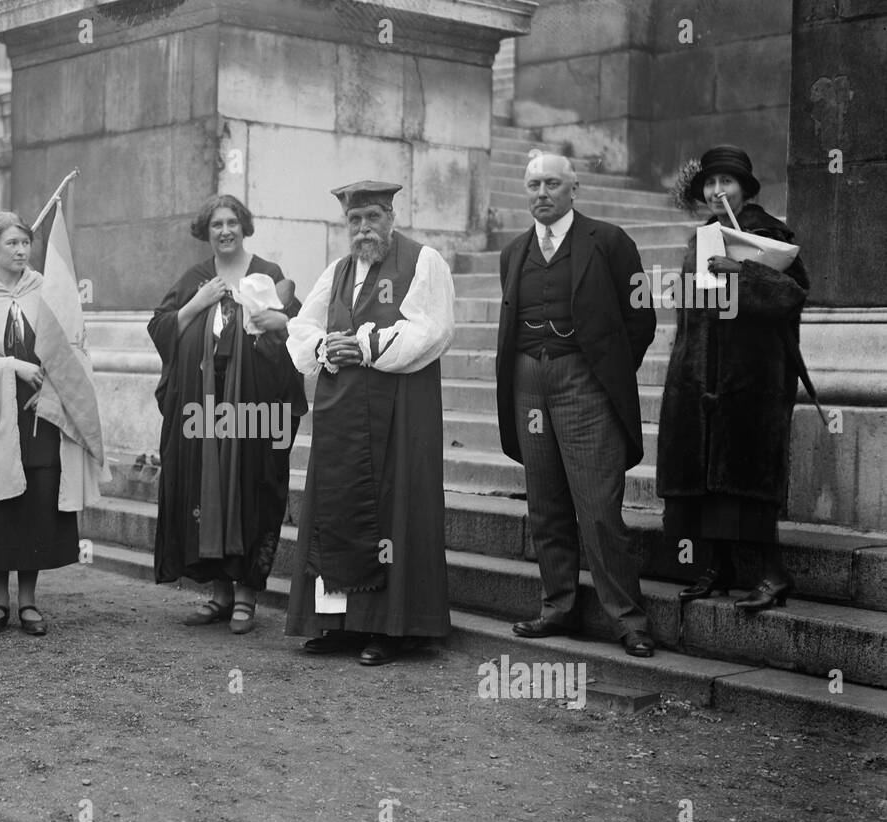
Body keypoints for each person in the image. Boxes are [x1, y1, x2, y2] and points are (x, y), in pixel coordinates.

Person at [284, 181, 456, 665]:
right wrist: (324, 347)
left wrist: (363, 345)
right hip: (342, 411)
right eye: (355, 220)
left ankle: (391, 628)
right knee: (336, 506)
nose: (364, 228)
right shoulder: (338, 272)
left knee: (394, 509)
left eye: (374, 217)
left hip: (399, 407)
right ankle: (337, 624)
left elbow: (432, 329)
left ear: (391, 217)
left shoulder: (423, 261)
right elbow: (304, 326)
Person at [495, 153, 657, 657]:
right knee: (545, 504)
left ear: (574, 188)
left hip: (583, 382)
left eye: (551, 184)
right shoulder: (514, 252)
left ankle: (628, 619)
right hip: (528, 381)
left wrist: (605, 373)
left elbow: (640, 319)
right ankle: (557, 606)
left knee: (598, 509)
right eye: (533, 185)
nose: (541, 192)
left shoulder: (608, 241)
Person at [658, 145, 810, 611]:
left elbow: (793, 296)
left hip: (750, 379)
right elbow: (691, 307)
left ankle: (772, 574)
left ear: (744, 188)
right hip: (697, 374)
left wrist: (742, 272)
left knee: (746, 477)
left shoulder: (770, 234)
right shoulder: (700, 237)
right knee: (704, 478)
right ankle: (718, 567)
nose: (716, 190)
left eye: (726, 182)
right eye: (710, 183)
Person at [149, 194, 305, 633]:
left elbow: (294, 334)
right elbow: (161, 328)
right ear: (207, 230)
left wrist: (268, 323)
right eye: (216, 224)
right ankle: (218, 593)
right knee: (207, 491)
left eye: (232, 222)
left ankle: (247, 595)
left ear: (244, 225)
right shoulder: (196, 277)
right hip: (203, 408)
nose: (224, 231)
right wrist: (199, 302)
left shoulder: (269, 275)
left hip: (256, 409)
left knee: (252, 489)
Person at [0, 212, 105, 636]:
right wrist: (9, 368)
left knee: (36, 503)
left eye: (26, 243)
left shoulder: (46, 291)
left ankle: (28, 602)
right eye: (12, 244)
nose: (21, 251)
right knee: (0, 506)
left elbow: (71, 351)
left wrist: (54, 390)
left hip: (41, 418)